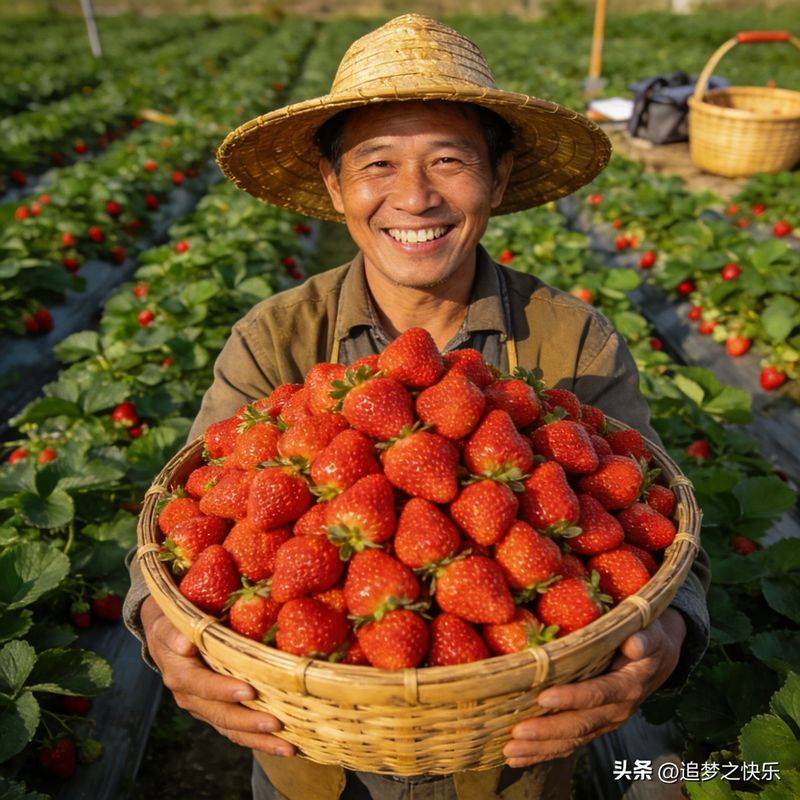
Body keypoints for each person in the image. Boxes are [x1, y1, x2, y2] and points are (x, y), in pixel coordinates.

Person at [124, 14, 709, 800]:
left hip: (514, 761)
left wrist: (665, 634)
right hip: (314, 765)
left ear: (497, 178)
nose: (414, 196)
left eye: (448, 160)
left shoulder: (573, 342)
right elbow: (180, 523)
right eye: (378, 164)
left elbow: (655, 521)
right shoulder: (274, 339)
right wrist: (161, 626)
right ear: (335, 186)